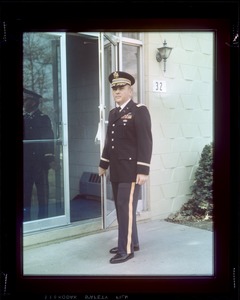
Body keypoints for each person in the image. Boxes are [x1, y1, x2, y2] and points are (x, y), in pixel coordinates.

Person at [99, 71, 153, 264]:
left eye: (121, 88)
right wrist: (103, 164)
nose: (117, 91)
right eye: (114, 88)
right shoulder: (114, 112)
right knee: (123, 208)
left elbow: (145, 142)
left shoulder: (139, 110)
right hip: (117, 169)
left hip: (131, 171)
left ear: (130, 90)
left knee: (125, 208)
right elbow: (109, 142)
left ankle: (126, 249)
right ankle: (132, 242)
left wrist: (143, 170)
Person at [23, 88, 55, 221]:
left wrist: (50, 159)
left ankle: (43, 220)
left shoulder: (43, 119)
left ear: (34, 103)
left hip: (40, 163)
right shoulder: (24, 118)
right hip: (25, 163)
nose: (24, 103)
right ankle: (26, 220)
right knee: (25, 193)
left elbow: (48, 139)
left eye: (26, 100)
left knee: (42, 194)